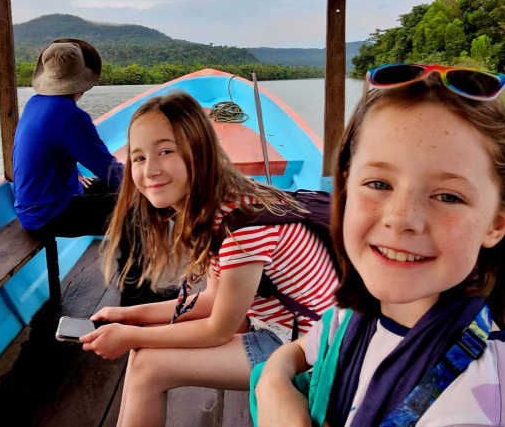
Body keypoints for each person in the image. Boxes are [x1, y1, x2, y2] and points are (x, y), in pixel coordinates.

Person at [252, 64, 505, 427]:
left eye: (447, 196)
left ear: (497, 222)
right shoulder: (354, 315)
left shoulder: (478, 406)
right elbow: (300, 350)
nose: (402, 218)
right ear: (345, 190)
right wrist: (273, 383)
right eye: (378, 184)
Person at [78, 91, 339, 427]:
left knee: (147, 367)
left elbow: (218, 329)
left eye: (166, 151)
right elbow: (214, 298)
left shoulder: (240, 228)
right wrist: (129, 315)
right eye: (139, 158)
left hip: (307, 348)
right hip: (276, 326)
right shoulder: (224, 203)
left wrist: (131, 335)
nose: (150, 170)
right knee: (142, 350)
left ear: (199, 152)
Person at [12, 38, 123, 239]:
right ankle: (132, 271)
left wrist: (76, 173)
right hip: (48, 215)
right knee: (136, 207)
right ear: (83, 81)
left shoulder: (35, 104)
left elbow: (50, 151)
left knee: (121, 190)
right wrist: (144, 188)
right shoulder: (71, 116)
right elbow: (108, 169)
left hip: (30, 208)